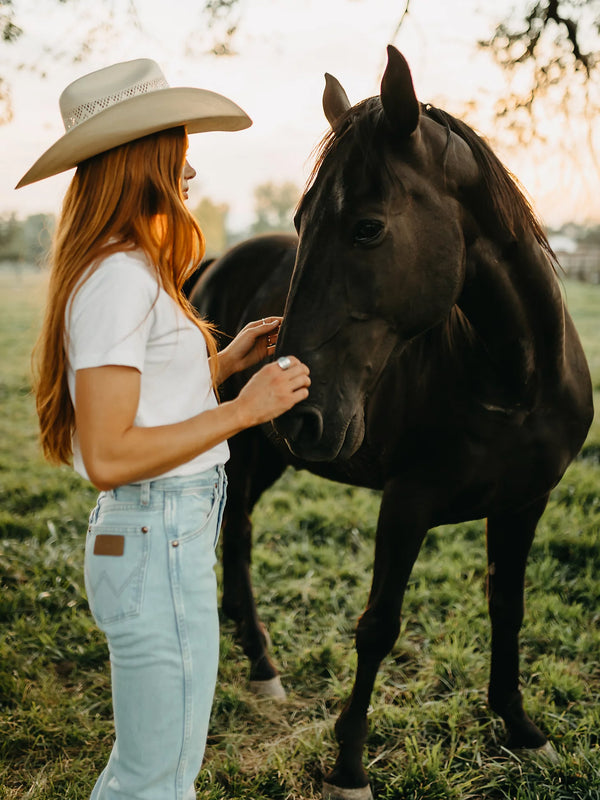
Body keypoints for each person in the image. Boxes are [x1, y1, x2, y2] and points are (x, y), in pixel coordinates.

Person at [17, 58, 310, 800]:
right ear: (138, 160)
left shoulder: (128, 269)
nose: (189, 165)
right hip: (154, 539)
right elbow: (110, 453)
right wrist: (245, 410)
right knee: (156, 780)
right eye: (175, 147)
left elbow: (139, 406)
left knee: (160, 769)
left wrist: (226, 363)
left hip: (158, 538)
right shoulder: (119, 278)